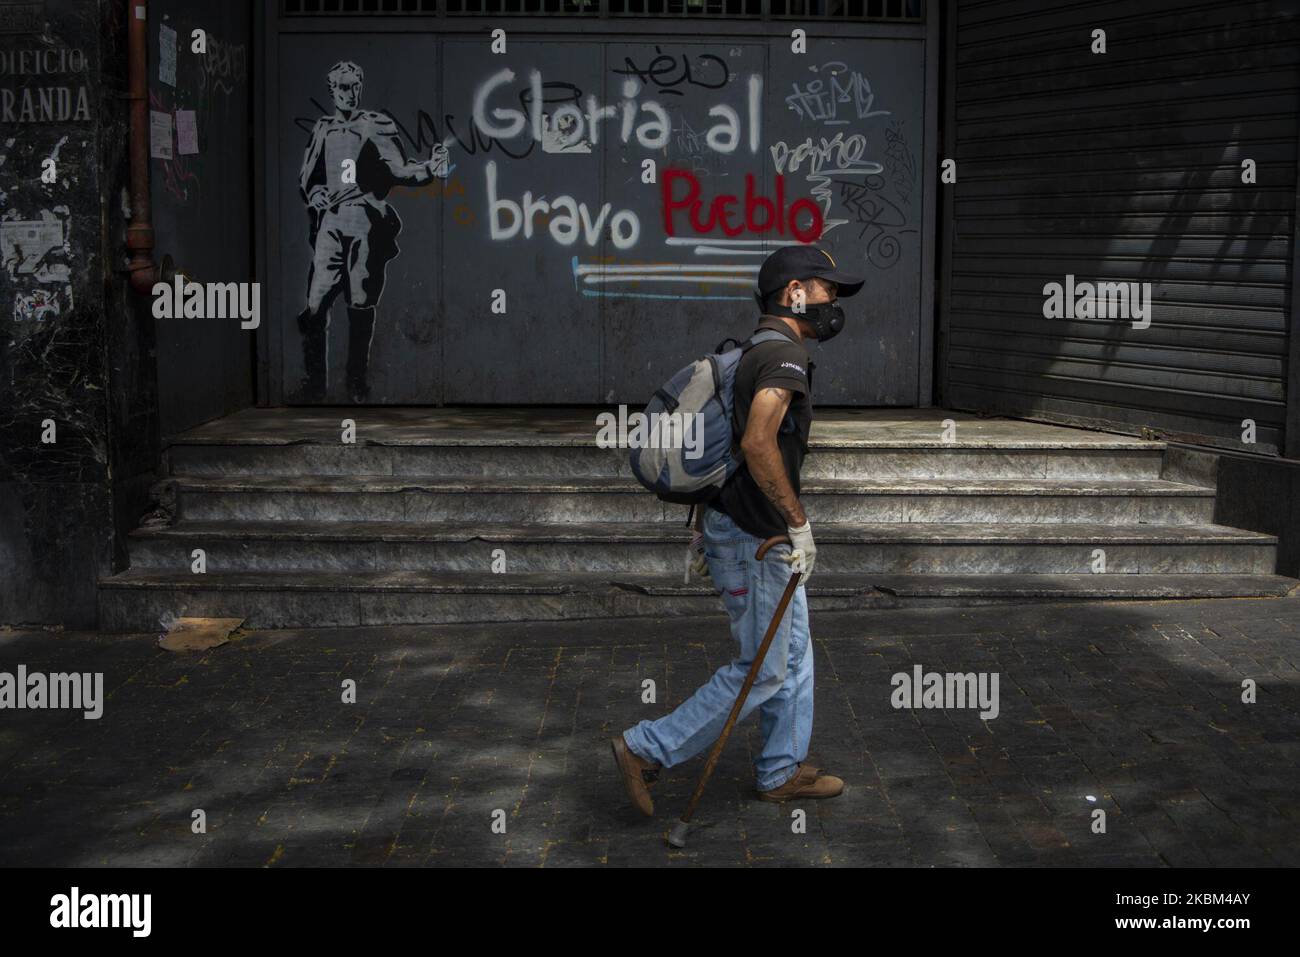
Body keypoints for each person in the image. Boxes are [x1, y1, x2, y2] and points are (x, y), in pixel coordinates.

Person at [612, 244, 865, 815]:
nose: (834, 302)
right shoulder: (783, 359)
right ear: (795, 293)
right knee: (761, 670)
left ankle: (781, 771)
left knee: (794, 654)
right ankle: (644, 747)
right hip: (758, 540)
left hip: (746, 532)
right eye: (827, 290)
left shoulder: (756, 351)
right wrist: (798, 525)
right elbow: (755, 443)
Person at [295, 60, 449, 403]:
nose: (350, 93)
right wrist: (312, 192)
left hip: (363, 220)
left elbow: (399, 170)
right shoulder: (323, 128)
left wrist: (428, 169)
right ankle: (314, 383)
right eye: (343, 87)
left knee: (360, 301)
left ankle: (356, 382)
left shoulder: (375, 126)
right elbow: (307, 175)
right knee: (316, 303)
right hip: (331, 223)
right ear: (333, 90)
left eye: (354, 86)